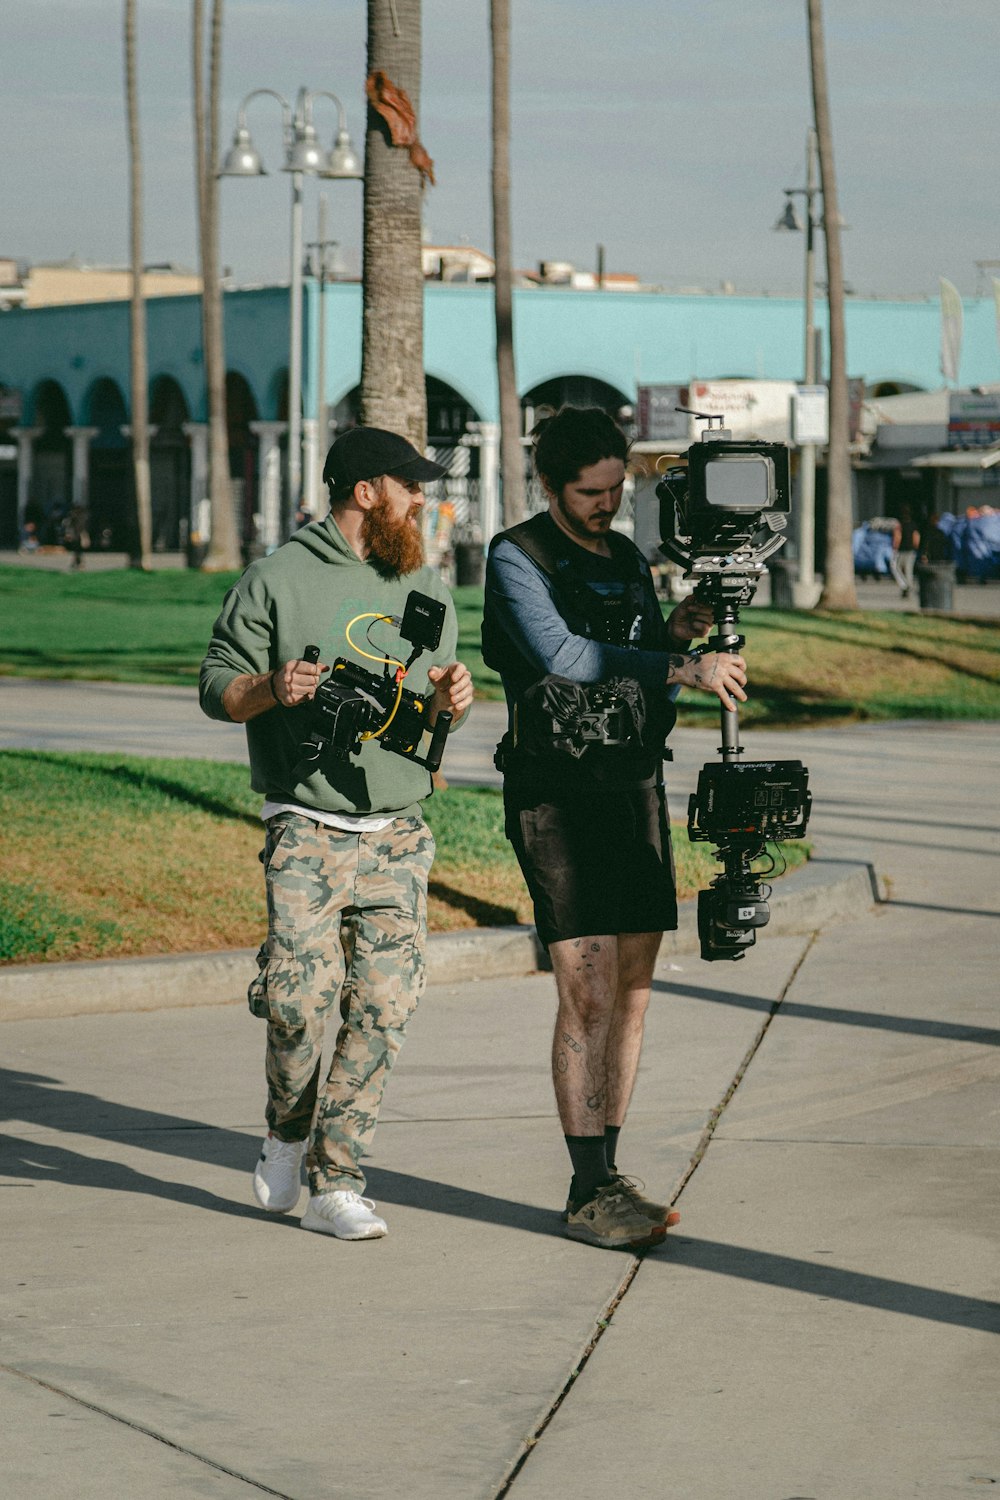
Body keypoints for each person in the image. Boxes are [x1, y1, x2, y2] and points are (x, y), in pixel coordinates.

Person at [482, 406, 748, 1252]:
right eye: (591, 493)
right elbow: (562, 657)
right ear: (551, 486)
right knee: (586, 991)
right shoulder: (515, 557)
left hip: (632, 784)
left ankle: (611, 1172)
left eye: (615, 490)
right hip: (555, 794)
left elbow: (645, 684)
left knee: (633, 992)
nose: (608, 506)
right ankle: (584, 1182)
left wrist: (672, 639)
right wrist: (679, 663)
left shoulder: (631, 560)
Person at [200, 426, 473, 1241]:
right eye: (409, 486)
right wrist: (270, 686)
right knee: (295, 1001)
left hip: (398, 829)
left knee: (385, 1004)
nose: (422, 499)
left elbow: (429, 705)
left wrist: (455, 696)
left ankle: (337, 1179)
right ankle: (287, 1130)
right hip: (306, 825)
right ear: (366, 494)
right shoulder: (277, 579)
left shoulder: (424, 581)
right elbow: (217, 685)